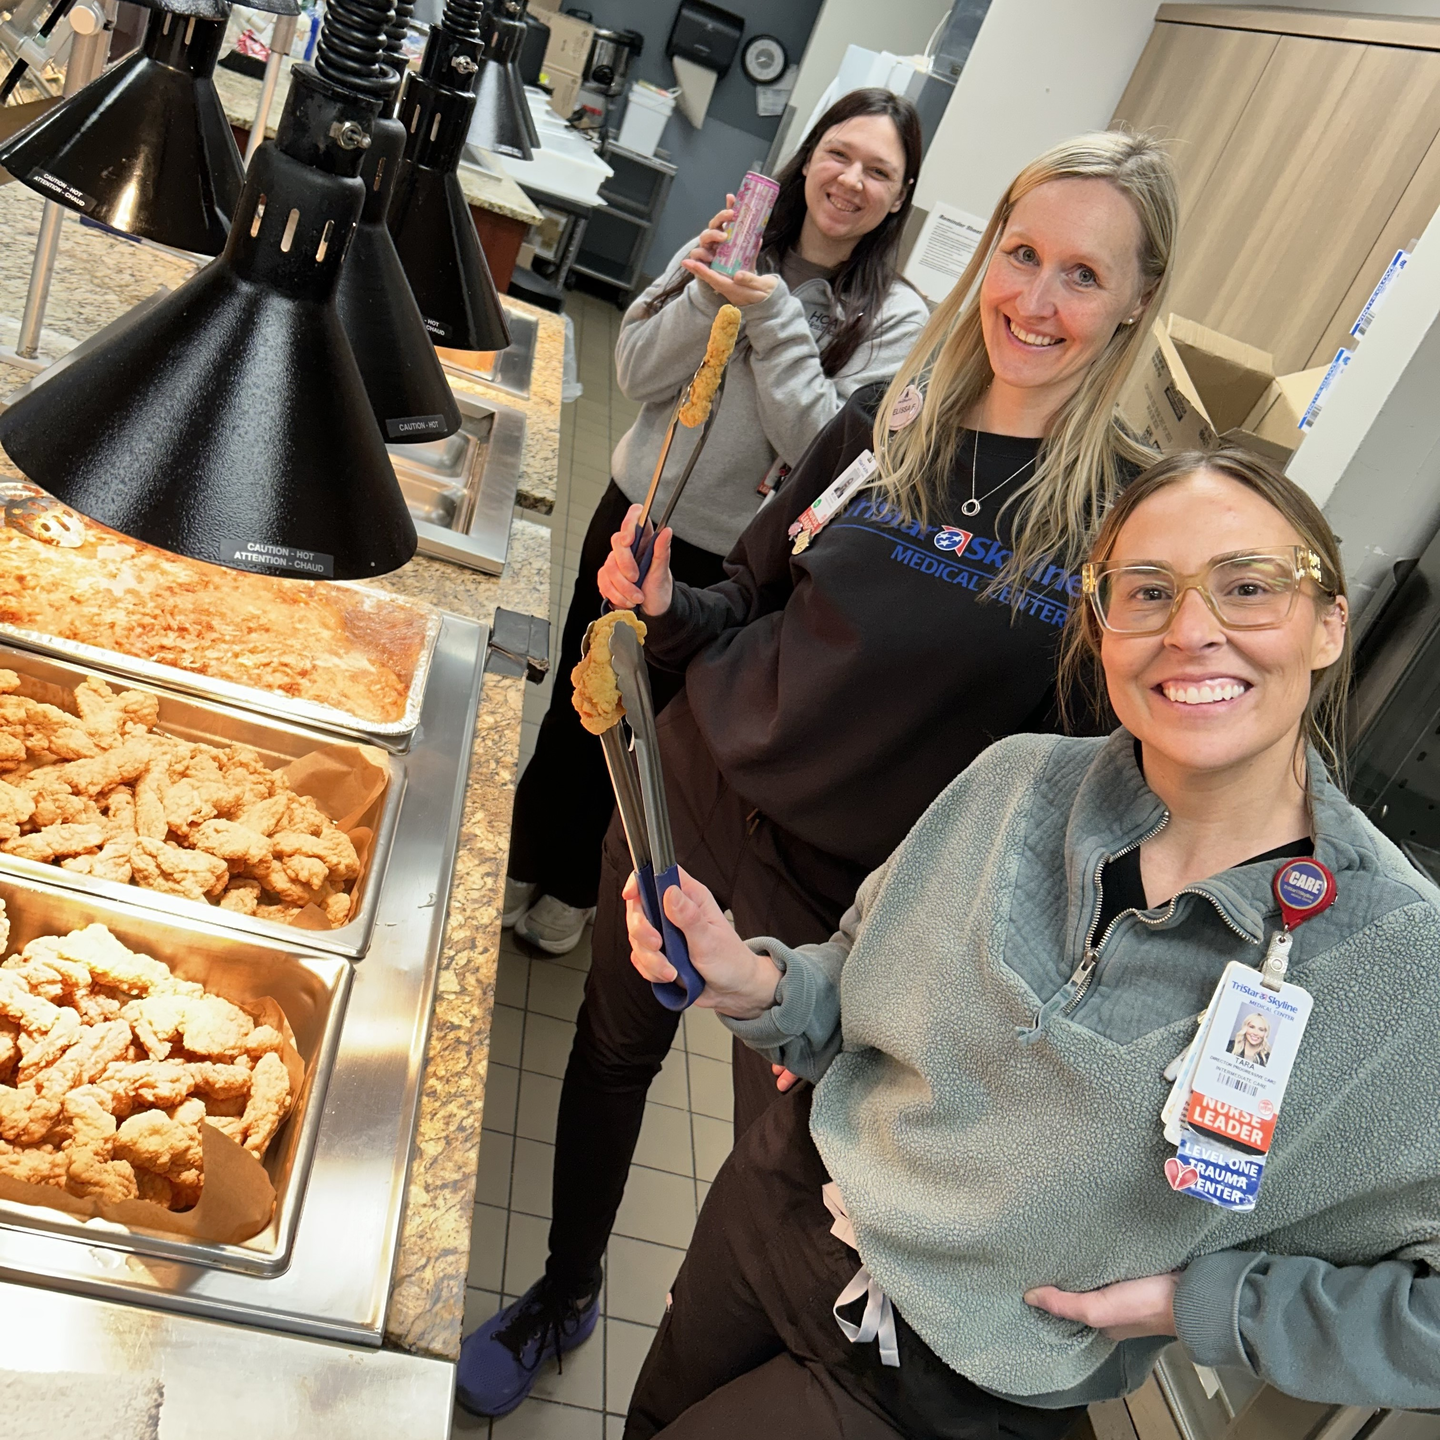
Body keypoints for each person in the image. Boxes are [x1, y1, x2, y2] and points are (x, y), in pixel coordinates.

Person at [456, 129, 1180, 1420]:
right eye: (1022, 254)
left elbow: (1060, 809)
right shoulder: (885, 421)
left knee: (779, 1170)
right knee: (611, 1059)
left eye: (1081, 274)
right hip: (683, 805)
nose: (1034, 297)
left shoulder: (1118, 529)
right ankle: (564, 1286)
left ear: (1136, 300)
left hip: (841, 913)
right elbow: (754, 598)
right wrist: (671, 600)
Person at [617, 448, 1440, 1435]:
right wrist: (751, 981)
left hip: (954, 1386)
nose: (1191, 631)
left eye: (1248, 588)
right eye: (1146, 591)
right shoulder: (1016, 787)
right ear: (1101, 628)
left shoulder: (1398, 968)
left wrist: (1203, 1305)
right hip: (777, 1213)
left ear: (1329, 624)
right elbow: (851, 992)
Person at [505, 87, 930, 956]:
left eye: (878, 171)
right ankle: (521, 854)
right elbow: (634, 369)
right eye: (838, 154)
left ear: (900, 194)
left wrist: (772, 319)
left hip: (735, 568)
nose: (850, 180)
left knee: (654, 738)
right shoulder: (732, 235)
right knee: (576, 702)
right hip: (637, 517)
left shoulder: (894, 318)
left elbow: (827, 450)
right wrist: (703, 296)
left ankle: (582, 893)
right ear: (808, 157)